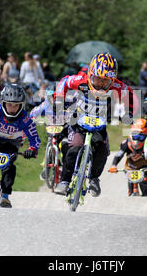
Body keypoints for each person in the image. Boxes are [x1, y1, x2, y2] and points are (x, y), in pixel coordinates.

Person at [53, 53, 135, 197]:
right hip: (78, 120)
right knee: (74, 148)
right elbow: (64, 82)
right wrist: (59, 99)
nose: (101, 83)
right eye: (97, 78)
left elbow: (130, 96)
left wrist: (129, 112)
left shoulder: (116, 85)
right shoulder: (80, 80)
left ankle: (94, 179)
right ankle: (64, 181)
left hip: (99, 123)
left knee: (102, 151)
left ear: (112, 79)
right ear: (91, 73)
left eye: (105, 81)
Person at [109, 119, 147, 196]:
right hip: (130, 167)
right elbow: (119, 155)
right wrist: (114, 165)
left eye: (140, 137)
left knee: (143, 181)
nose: (137, 139)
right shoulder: (126, 143)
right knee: (130, 183)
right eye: (135, 135)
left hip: (144, 166)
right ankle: (131, 198)